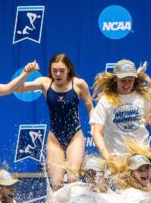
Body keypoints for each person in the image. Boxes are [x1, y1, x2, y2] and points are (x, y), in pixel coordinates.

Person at [16, 53, 94, 189]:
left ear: (69, 69)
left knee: (73, 179)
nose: (58, 74)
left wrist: (94, 127)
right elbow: (19, 88)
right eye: (54, 71)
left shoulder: (79, 84)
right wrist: (26, 72)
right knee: (56, 184)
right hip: (54, 139)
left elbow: (90, 107)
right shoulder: (45, 83)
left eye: (62, 71)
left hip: (75, 136)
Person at [90, 59, 151, 161]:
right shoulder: (106, 100)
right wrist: (106, 154)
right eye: (123, 80)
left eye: (130, 80)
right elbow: (96, 132)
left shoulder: (143, 98)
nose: (127, 83)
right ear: (116, 79)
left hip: (140, 157)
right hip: (116, 158)